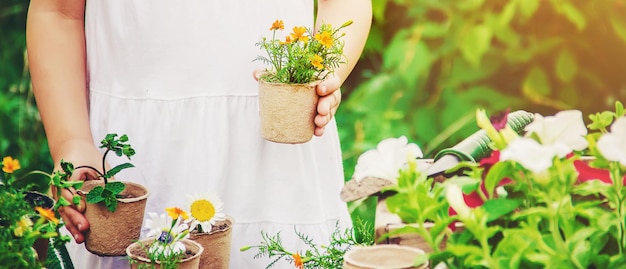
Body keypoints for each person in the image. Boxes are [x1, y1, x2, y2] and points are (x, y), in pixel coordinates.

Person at [26, 0, 372, 268]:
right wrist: (71, 140)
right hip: (134, 156)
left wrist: (324, 70)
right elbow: (57, 12)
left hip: (275, 147)